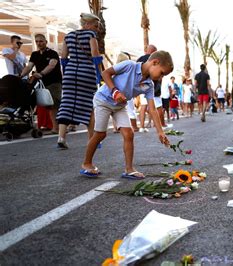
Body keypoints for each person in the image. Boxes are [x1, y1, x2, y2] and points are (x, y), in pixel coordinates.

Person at [81, 50, 173, 178]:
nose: (161, 77)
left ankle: (129, 169)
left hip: (120, 106)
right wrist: (115, 92)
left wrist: (160, 132)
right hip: (103, 99)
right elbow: (105, 73)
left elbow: (152, 109)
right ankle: (87, 163)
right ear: (155, 62)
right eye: (162, 73)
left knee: (129, 134)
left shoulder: (149, 85)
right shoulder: (129, 65)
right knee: (100, 134)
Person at [56, 13, 102, 149]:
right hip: (87, 73)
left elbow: (63, 57)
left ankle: (61, 137)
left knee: (67, 103)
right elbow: (95, 56)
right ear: (87, 24)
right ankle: (92, 140)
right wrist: (100, 74)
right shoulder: (90, 36)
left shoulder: (68, 36)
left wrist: (66, 74)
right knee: (90, 105)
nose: (97, 29)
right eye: (96, 25)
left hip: (70, 72)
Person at [20, 33, 62, 133]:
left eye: (41, 41)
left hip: (54, 82)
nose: (39, 43)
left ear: (46, 42)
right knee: (45, 106)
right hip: (42, 84)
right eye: (37, 41)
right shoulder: (34, 54)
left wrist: (41, 73)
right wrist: (20, 76)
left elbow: (52, 65)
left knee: (54, 105)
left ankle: (57, 128)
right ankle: (53, 126)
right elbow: (29, 67)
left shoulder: (52, 53)